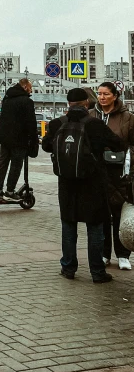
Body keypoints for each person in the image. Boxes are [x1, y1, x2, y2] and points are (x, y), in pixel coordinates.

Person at [42, 88, 123, 283]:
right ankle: (97, 272)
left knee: (68, 226)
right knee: (95, 226)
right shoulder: (94, 124)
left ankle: (68, 267)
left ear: (68, 104)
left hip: (66, 183)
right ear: (87, 103)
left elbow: (45, 146)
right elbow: (118, 144)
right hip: (93, 183)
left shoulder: (56, 124)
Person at [90, 81, 134, 270]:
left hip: (119, 173)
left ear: (115, 96)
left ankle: (123, 255)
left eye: (106, 94)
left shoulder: (127, 118)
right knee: (101, 215)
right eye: (99, 94)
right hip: (97, 172)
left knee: (119, 213)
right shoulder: (92, 115)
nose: (102, 97)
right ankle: (105, 254)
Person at [0, 78, 38, 199]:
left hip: (5, 137)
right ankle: (10, 190)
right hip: (19, 139)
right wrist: (33, 139)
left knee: (2, 162)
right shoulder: (27, 101)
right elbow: (31, 123)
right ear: (24, 87)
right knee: (16, 164)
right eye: (30, 87)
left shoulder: (7, 98)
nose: (31, 90)